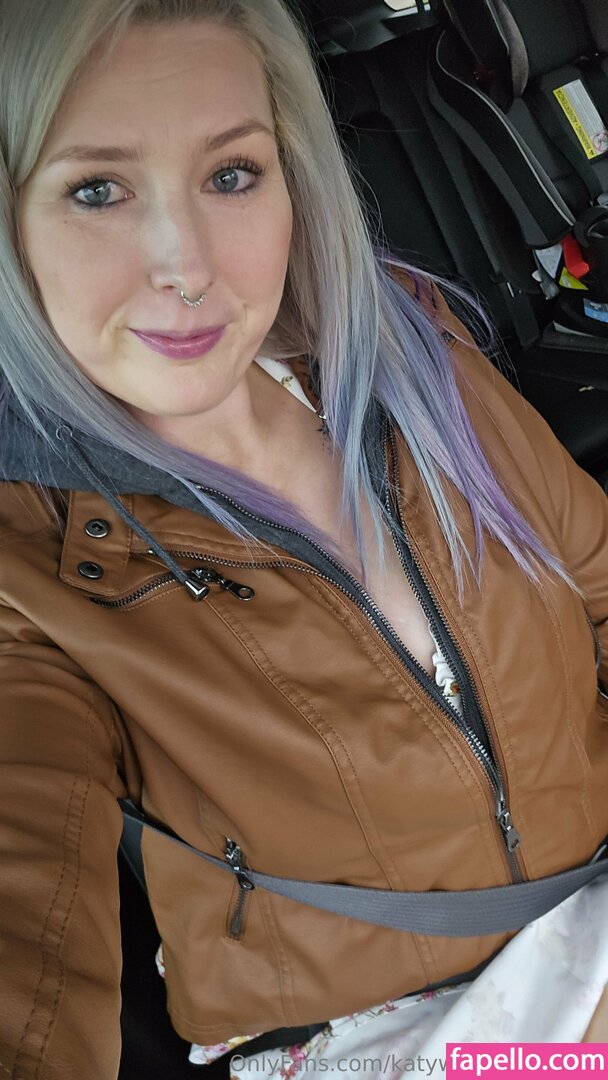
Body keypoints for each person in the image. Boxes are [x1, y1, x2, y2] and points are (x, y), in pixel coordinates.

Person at [1, 0, 607, 1077]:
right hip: (383, 1040)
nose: (185, 265)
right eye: (96, 190)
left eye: (232, 174)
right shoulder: (30, 563)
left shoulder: (413, 353)